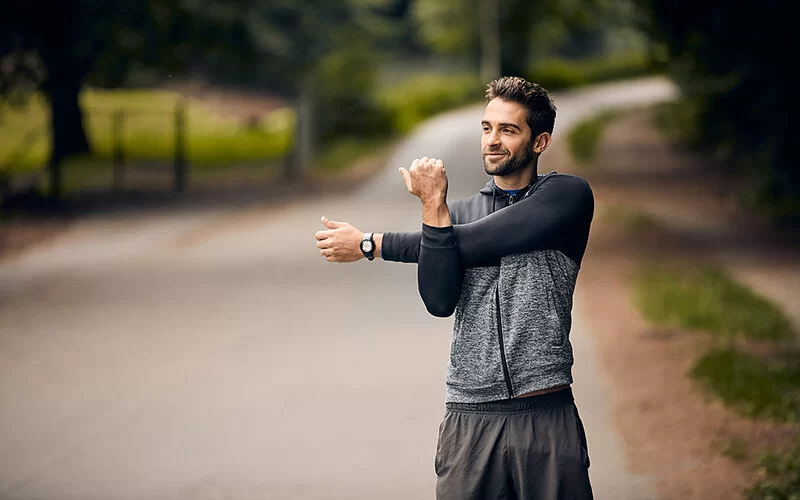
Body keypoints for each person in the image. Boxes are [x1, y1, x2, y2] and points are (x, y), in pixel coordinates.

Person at [314, 76, 595, 500]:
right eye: (487, 128)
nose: (493, 140)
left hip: (545, 415)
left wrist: (371, 243)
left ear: (540, 142)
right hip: (469, 421)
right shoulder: (451, 217)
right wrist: (434, 211)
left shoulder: (566, 198)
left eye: (508, 130)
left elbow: (482, 240)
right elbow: (439, 301)